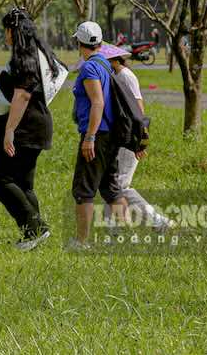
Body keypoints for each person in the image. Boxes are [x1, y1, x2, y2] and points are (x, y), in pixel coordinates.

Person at [0, 8, 60, 251]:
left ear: (12, 31)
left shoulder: (24, 57)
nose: (5, 34)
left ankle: (34, 229)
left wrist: (9, 131)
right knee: (24, 185)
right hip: (33, 125)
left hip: (25, 129)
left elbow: (23, 96)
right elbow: (13, 98)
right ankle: (35, 235)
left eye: (6, 29)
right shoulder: (37, 53)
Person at [67, 21, 129, 250]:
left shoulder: (89, 68)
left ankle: (81, 242)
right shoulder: (105, 63)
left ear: (79, 43)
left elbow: (98, 102)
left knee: (83, 189)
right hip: (110, 134)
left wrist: (90, 137)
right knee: (110, 187)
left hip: (97, 135)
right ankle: (124, 237)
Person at [100, 45, 173, 233]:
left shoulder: (125, 76)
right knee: (111, 182)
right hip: (119, 136)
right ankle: (112, 227)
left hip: (129, 137)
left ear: (113, 60)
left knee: (120, 185)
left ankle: (157, 220)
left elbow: (138, 109)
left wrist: (139, 140)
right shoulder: (114, 76)